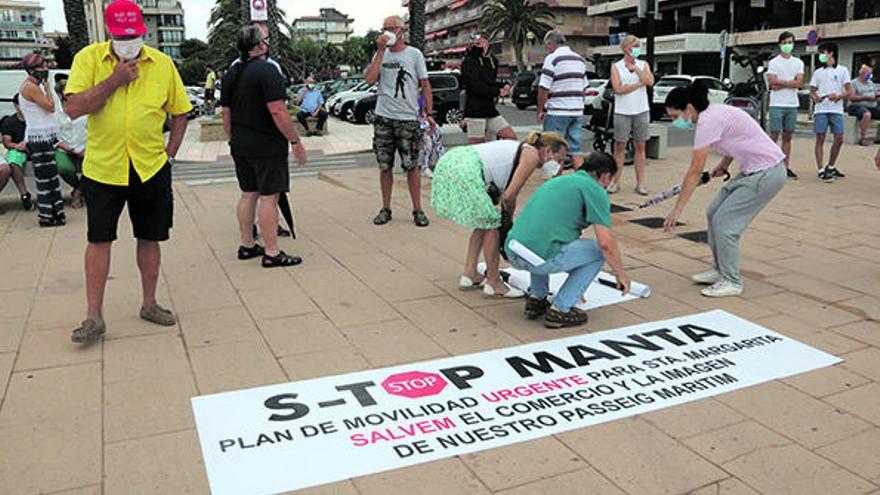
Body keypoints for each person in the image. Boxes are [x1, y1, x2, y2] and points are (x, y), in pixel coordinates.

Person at [64, 0, 191, 343]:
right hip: (103, 169)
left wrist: (169, 156)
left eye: (134, 35)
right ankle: (94, 317)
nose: (128, 41)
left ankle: (149, 304)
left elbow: (180, 113)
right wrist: (114, 80)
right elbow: (73, 107)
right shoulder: (88, 59)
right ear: (108, 32)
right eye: (121, 35)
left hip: (150, 168)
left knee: (150, 237)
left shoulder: (163, 65)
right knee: (99, 239)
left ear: (143, 31)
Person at [662, 82, 786, 298]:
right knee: (713, 212)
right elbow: (738, 137)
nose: (675, 121)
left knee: (726, 225)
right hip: (753, 171)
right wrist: (724, 164)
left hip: (767, 173)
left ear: (689, 109)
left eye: (674, 116)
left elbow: (694, 172)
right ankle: (719, 269)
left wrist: (677, 211)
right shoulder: (715, 113)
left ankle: (732, 280)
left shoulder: (707, 122)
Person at [432, 131, 569, 298]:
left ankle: (469, 275)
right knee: (493, 225)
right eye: (559, 160)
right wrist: (507, 223)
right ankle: (494, 282)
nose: (560, 166)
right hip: (465, 169)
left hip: (452, 161)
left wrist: (506, 219)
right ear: (547, 151)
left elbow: (508, 195)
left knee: (484, 222)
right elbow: (509, 196)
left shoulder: (523, 149)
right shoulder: (531, 155)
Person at [503, 151, 630, 328]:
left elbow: (555, 230)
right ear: (607, 176)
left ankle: (537, 298)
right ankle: (560, 309)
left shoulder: (558, 181)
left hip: (513, 249)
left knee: (541, 239)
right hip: (539, 257)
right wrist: (621, 275)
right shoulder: (595, 190)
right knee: (597, 251)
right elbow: (606, 244)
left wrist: (577, 283)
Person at [222, 24, 307, 268]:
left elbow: (225, 113)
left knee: (249, 193)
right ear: (260, 45)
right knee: (269, 196)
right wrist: (295, 141)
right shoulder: (268, 71)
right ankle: (272, 252)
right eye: (266, 39)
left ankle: (247, 244)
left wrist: (233, 139)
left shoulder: (232, 73)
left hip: (241, 143)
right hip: (266, 145)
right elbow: (278, 111)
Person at [365, 15, 434, 227]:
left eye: (391, 28)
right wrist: (379, 51)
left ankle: (417, 209)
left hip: (407, 118)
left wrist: (429, 113)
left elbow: (425, 84)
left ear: (401, 31)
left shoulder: (414, 54)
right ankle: (386, 208)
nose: (387, 32)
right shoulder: (380, 54)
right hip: (384, 117)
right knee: (385, 166)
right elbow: (369, 79)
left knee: (411, 166)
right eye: (384, 28)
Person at [19, 52, 64, 227]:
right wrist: (47, 87)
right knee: (45, 179)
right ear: (31, 70)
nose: (45, 69)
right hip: (38, 139)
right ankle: (47, 215)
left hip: (44, 137)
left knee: (51, 178)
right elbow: (50, 107)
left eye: (45, 65)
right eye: (41, 66)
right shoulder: (30, 87)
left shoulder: (32, 85)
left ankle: (56, 213)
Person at [537, 30, 589, 171]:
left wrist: (540, 109)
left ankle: (554, 183)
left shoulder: (552, 58)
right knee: (575, 149)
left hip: (557, 111)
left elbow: (544, 87)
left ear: (551, 44)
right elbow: (584, 87)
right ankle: (582, 180)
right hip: (576, 111)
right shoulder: (579, 59)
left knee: (553, 150)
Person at [609, 34, 654, 195]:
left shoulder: (643, 64)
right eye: (635, 46)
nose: (637, 49)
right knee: (619, 147)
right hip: (622, 111)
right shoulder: (616, 66)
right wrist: (637, 84)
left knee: (640, 147)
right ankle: (615, 182)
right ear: (627, 48)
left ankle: (640, 183)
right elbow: (618, 89)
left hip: (641, 110)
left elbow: (649, 81)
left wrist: (636, 69)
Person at [460, 33, 516, 145]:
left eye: (481, 40)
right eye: (476, 41)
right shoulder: (469, 61)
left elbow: (489, 81)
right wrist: (497, 92)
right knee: (477, 146)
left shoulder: (492, 61)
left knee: (511, 137)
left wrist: (504, 85)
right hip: (475, 111)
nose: (478, 42)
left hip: (490, 110)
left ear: (488, 42)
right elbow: (474, 86)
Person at [810, 42, 851, 182]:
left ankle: (831, 166)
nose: (821, 55)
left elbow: (849, 91)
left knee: (839, 139)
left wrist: (839, 96)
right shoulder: (817, 72)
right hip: (821, 109)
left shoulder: (843, 70)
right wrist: (816, 98)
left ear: (831, 53)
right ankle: (821, 169)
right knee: (820, 138)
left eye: (824, 52)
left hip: (836, 109)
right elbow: (812, 91)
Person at [767, 31, 804, 179]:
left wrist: (782, 83)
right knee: (774, 135)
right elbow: (772, 82)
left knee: (787, 136)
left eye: (790, 42)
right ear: (780, 44)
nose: (788, 45)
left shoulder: (798, 62)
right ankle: (767, 163)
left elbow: (800, 82)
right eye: (785, 42)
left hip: (792, 104)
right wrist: (791, 83)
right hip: (776, 103)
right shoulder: (774, 62)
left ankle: (785, 166)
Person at [53, 76, 87, 208]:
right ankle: (80, 189)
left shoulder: (85, 108)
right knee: (63, 168)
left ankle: (77, 193)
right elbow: (53, 137)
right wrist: (70, 149)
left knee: (93, 167)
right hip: (63, 148)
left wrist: (86, 148)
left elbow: (94, 130)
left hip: (85, 147)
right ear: (61, 93)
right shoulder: (55, 112)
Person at [0, 94, 34, 211]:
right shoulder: (9, 122)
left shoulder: (36, 119)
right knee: (13, 161)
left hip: (36, 148)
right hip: (19, 150)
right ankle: (24, 194)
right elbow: (7, 143)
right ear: (15, 105)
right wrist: (18, 146)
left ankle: (49, 195)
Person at [846, 65, 880, 146]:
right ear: (862, 74)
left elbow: (875, 93)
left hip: (872, 105)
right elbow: (851, 97)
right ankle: (863, 138)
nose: (870, 76)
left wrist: (876, 95)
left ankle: (878, 138)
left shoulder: (870, 83)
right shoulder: (853, 83)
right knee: (867, 114)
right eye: (869, 74)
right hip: (856, 106)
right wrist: (866, 97)